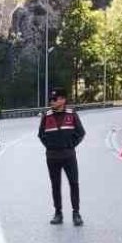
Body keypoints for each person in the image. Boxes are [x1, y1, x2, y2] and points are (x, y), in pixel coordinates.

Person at [37, 89, 86, 226]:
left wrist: (70, 145)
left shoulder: (72, 114)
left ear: (63, 100)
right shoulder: (46, 116)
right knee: (55, 185)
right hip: (52, 157)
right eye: (51, 100)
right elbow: (41, 135)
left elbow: (81, 133)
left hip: (69, 155)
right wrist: (50, 146)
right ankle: (58, 213)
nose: (52, 102)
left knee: (74, 183)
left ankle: (76, 213)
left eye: (55, 99)